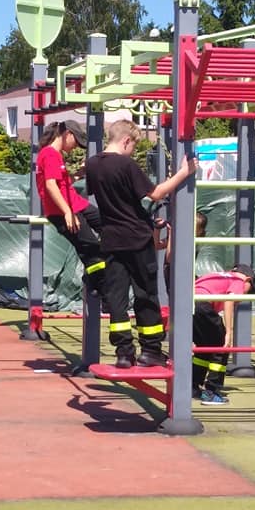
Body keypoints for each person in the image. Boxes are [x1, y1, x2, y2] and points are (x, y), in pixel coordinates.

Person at [85, 119, 195, 368]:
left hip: (111, 239)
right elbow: (155, 193)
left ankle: (124, 352)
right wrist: (183, 173)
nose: (133, 151)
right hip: (136, 237)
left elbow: (113, 198)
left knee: (116, 298)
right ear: (126, 140)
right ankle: (151, 349)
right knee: (145, 293)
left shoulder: (92, 164)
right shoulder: (126, 164)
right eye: (133, 146)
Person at [35, 119, 106, 297]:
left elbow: (62, 184)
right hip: (63, 211)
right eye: (76, 142)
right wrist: (67, 212)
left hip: (76, 204)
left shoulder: (56, 155)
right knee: (91, 248)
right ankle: (98, 285)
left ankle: (101, 273)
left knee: (108, 227)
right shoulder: (49, 154)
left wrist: (78, 175)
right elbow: (50, 185)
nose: (75, 147)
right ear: (68, 134)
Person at [191, 264, 255, 405]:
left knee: (205, 347)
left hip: (190, 305)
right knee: (222, 347)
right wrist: (228, 332)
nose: (244, 296)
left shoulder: (217, 276)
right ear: (248, 280)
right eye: (249, 291)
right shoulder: (238, 281)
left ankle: (193, 386)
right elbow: (229, 301)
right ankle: (211, 391)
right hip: (203, 305)